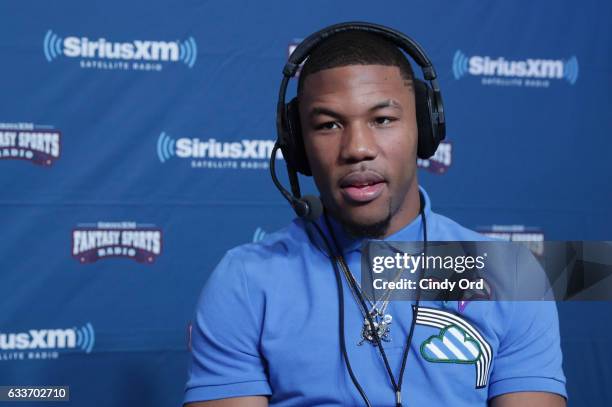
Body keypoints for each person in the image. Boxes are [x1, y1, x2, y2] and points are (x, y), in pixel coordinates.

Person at [183, 23, 566, 407]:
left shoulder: (509, 274)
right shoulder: (246, 281)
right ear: (298, 147)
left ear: (426, 129)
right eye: (328, 125)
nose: (358, 148)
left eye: (382, 120)